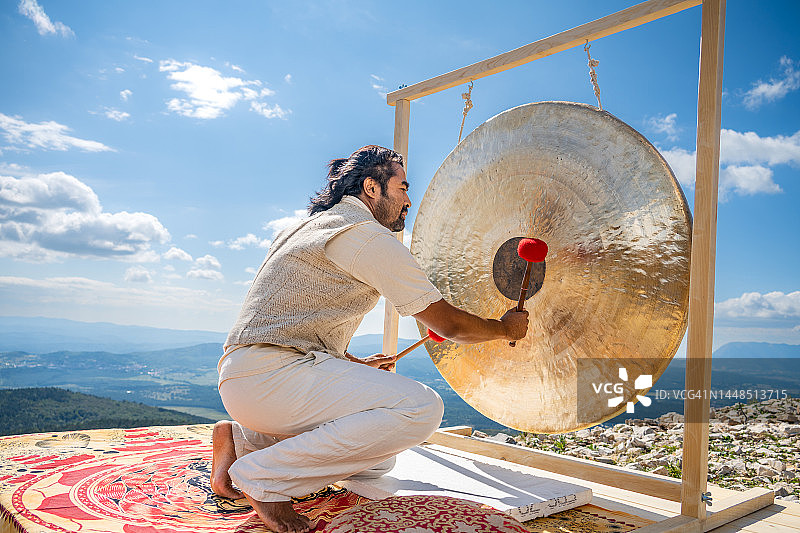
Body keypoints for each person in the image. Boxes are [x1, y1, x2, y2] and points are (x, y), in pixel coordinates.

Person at [212, 145, 529, 533]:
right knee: (420, 409)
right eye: (403, 187)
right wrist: (504, 328)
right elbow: (450, 325)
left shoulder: (303, 229)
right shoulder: (364, 236)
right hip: (272, 379)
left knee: (379, 459)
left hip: (247, 376)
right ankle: (263, 476)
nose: (409, 200)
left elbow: (292, 315)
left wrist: (353, 366)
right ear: (372, 188)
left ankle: (244, 439)